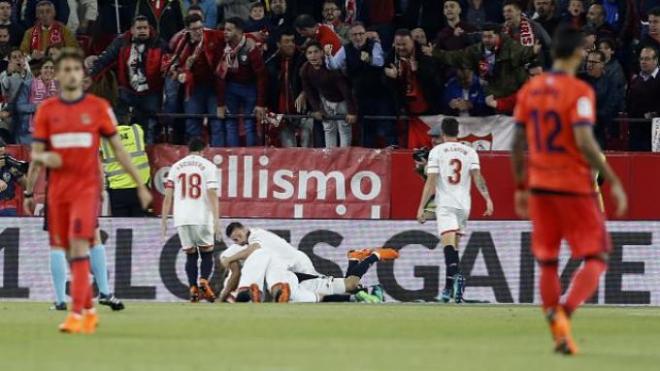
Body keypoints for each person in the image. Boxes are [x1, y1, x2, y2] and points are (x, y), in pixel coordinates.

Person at [511, 27, 628, 355]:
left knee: (547, 262)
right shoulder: (579, 91)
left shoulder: (531, 90)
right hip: (574, 186)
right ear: (578, 53)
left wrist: (521, 185)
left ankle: (560, 334)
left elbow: (518, 143)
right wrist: (612, 178)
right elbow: (584, 141)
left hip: (539, 186)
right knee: (597, 255)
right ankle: (565, 311)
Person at [25, 48, 152, 334]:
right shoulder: (47, 110)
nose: (71, 74)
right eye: (65, 69)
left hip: (86, 189)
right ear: (57, 76)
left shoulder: (97, 109)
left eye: (76, 69)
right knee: (61, 246)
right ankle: (90, 309)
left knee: (80, 244)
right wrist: (48, 161)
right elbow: (37, 154)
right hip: (58, 190)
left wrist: (141, 184)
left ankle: (77, 313)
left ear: (83, 75)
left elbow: (118, 150)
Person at [415, 118, 494, 303]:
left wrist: (421, 207)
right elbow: (478, 177)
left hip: (446, 204)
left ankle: (455, 285)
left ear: (443, 132)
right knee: (455, 248)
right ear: (458, 132)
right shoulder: (470, 151)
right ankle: (449, 290)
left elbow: (431, 180)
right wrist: (488, 199)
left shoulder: (437, 151)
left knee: (448, 247)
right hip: (464, 205)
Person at [220, 243, 397, 303]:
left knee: (350, 285)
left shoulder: (252, 258)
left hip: (294, 279)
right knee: (349, 287)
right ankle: (354, 259)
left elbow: (256, 249)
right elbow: (320, 299)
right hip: (294, 287)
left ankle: (374, 256)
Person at [87, 15, 168, 144]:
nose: (142, 31)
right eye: (139, 28)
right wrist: (89, 78)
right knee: (120, 124)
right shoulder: (121, 42)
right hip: (127, 90)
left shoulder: (160, 43)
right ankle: (120, 150)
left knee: (149, 127)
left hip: (151, 91)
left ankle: (148, 154)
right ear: (132, 30)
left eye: (145, 28)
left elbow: (168, 65)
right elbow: (104, 60)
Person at [161, 138, 220, 303]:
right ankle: (203, 280)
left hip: (181, 217)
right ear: (204, 150)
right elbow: (212, 193)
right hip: (201, 215)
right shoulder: (209, 166)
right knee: (207, 253)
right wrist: (217, 219)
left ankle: (193, 287)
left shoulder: (176, 166)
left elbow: (168, 197)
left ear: (188, 150)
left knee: (191, 255)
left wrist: (164, 220)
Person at [326, 22, 397, 148]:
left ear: (366, 34)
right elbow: (334, 65)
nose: (358, 37)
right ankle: (367, 160)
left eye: (361, 34)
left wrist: (369, 59)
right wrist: (328, 56)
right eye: (354, 35)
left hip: (381, 94)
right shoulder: (346, 49)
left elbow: (380, 62)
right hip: (361, 96)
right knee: (366, 130)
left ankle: (394, 156)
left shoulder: (374, 45)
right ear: (349, 37)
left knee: (388, 127)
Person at [166, 14, 224, 145]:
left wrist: (256, 36)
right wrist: (182, 70)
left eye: (200, 27)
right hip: (193, 88)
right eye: (194, 29)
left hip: (213, 87)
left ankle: (218, 157)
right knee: (192, 123)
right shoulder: (180, 42)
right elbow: (173, 65)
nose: (198, 31)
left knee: (216, 123)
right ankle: (194, 156)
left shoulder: (213, 35)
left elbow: (232, 36)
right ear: (187, 29)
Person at [216, 17, 267, 147]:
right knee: (230, 123)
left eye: (229, 30)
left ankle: (250, 156)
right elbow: (220, 76)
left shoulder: (251, 47)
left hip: (249, 88)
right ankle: (233, 156)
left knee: (249, 123)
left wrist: (260, 103)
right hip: (230, 88)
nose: (225, 32)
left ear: (239, 31)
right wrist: (220, 103)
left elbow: (261, 75)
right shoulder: (223, 47)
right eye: (224, 29)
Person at [300, 42, 357, 148]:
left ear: (322, 53)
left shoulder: (331, 68)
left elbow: (345, 90)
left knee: (344, 130)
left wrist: (351, 111)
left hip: (342, 101)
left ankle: (343, 160)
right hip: (325, 100)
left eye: (316, 52)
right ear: (306, 56)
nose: (313, 55)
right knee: (328, 129)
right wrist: (316, 109)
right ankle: (330, 158)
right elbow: (308, 91)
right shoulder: (305, 69)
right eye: (309, 53)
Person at [265, 29, 312, 147]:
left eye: (292, 41)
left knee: (307, 147)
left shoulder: (303, 59)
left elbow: (313, 81)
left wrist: (304, 93)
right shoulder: (271, 62)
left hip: (304, 112)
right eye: (286, 41)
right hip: (282, 113)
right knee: (289, 149)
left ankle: (308, 166)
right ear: (278, 44)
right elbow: (268, 88)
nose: (291, 44)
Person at [100, 121, 151, 217]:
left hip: (117, 190)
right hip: (139, 188)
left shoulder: (103, 138)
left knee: (120, 226)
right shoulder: (137, 130)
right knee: (140, 226)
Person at [581, 50, 623, 148]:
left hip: (599, 130)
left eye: (593, 62)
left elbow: (610, 107)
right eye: (588, 61)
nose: (589, 65)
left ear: (602, 64)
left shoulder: (610, 83)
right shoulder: (581, 80)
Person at [19, 1, 78, 67]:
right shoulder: (29, 33)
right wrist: (31, 57)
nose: (45, 15)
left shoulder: (64, 31)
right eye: (41, 12)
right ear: (37, 15)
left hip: (59, 68)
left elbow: (74, 52)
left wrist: (60, 54)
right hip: (36, 69)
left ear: (54, 13)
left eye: (48, 11)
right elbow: (21, 56)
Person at [15, 58, 58, 144]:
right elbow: (19, 106)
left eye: (52, 68)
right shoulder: (28, 84)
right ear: (40, 70)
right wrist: (37, 106)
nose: (49, 70)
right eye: (46, 67)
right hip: (29, 130)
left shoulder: (58, 85)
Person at [626, 47, 660, 151]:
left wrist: (656, 113)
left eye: (647, 59)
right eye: (641, 59)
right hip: (637, 131)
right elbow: (629, 104)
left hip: (656, 131)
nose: (643, 62)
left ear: (656, 60)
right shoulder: (636, 81)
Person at [0, 138, 27, 216]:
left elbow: (25, 185)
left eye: (2, 148)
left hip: (9, 206)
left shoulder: (8, 162)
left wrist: (19, 174)